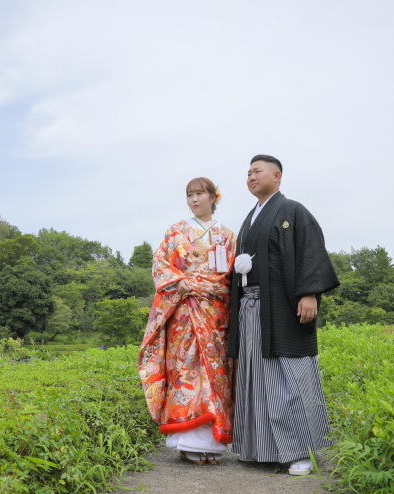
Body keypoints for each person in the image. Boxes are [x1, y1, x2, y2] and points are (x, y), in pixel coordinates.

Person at [229, 154, 340, 476]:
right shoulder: (250, 218)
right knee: (256, 378)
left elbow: (311, 250)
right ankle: (261, 448)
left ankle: (301, 452)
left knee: (289, 377)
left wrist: (309, 293)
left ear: (276, 175)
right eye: (248, 173)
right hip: (251, 309)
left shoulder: (293, 210)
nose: (251, 177)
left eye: (257, 171)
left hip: (282, 307)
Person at [139, 177, 237, 466]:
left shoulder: (227, 236)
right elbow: (160, 262)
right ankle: (186, 441)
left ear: (213, 198)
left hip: (216, 312)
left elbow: (232, 275)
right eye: (190, 195)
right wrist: (178, 281)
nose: (194, 200)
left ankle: (212, 443)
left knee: (215, 374)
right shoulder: (177, 232)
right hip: (185, 309)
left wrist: (218, 286)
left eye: (200, 194)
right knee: (187, 370)